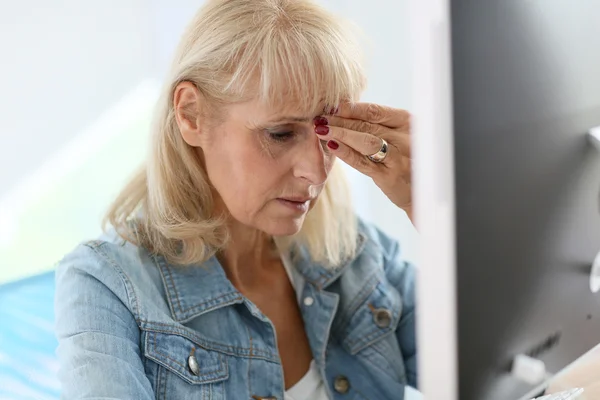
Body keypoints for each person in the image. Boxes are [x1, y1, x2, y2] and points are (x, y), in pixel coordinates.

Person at [54, 0, 419, 399]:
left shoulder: (358, 256)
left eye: (326, 136)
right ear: (191, 114)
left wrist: (428, 208)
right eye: (280, 134)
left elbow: (491, 371)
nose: (316, 173)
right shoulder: (107, 288)